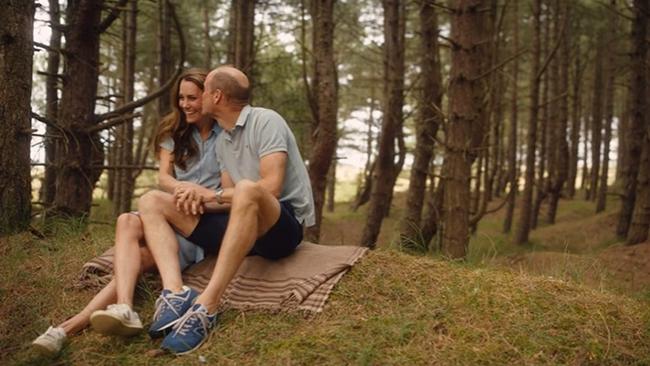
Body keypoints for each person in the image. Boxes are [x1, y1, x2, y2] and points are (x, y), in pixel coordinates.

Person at [31, 68, 223, 356]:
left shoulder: (227, 135)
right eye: (181, 98)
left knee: (137, 263)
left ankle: (67, 328)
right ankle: (124, 307)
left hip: (195, 222)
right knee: (125, 220)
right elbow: (164, 178)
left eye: (192, 98)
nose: (185, 104)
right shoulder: (174, 132)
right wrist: (184, 189)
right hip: (166, 211)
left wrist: (199, 195)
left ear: (208, 97)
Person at [136, 65, 315, 355]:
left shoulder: (266, 121)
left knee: (247, 188)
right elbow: (225, 198)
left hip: (279, 226)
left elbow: (271, 187)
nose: (198, 97)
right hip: (239, 226)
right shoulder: (224, 140)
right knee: (152, 200)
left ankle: (207, 306)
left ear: (216, 96)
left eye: (203, 91)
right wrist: (197, 197)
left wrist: (212, 194)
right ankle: (175, 293)